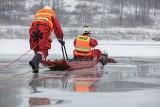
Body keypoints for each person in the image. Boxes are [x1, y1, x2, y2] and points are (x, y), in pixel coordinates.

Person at [29, 6, 65, 73]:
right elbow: (57, 29)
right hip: (43, 30)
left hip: (33, 31)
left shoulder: (37, 16)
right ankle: (34, 61)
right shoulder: (51, 16)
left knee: (37, 49)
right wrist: (60, 39)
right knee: (43, 50)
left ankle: (35, 67)